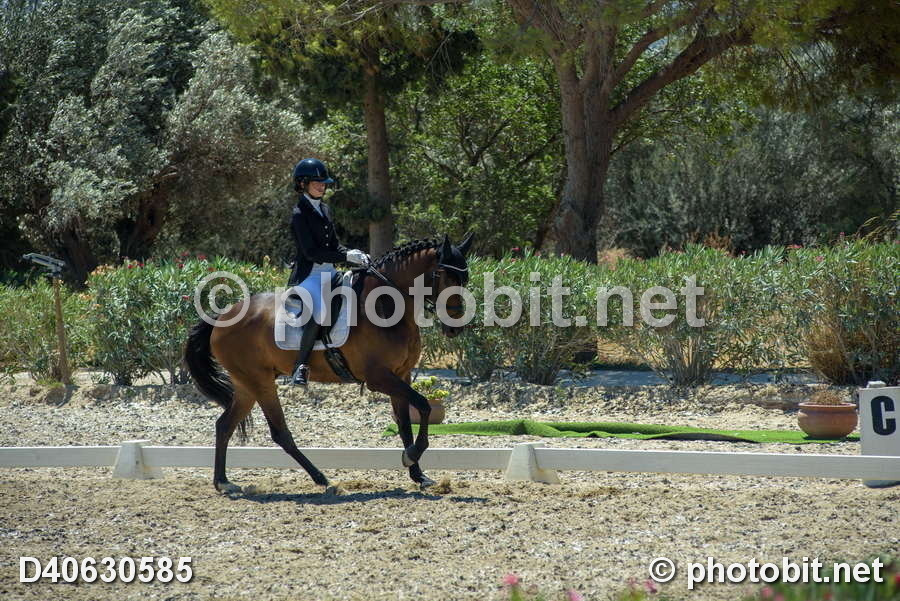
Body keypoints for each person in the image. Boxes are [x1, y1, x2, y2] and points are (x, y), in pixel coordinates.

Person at [287, 158, 369, 387]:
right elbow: (312, 252)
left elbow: (334, 246)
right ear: (302, 184)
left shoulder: (324, 209)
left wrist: (354, 254)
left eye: (324, 183)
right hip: (310, 276)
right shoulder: (299, 214)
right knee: (320, 310)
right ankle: (300, 366)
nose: (322, 186)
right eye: (317, 182)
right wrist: (345, 257)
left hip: (330, 273)